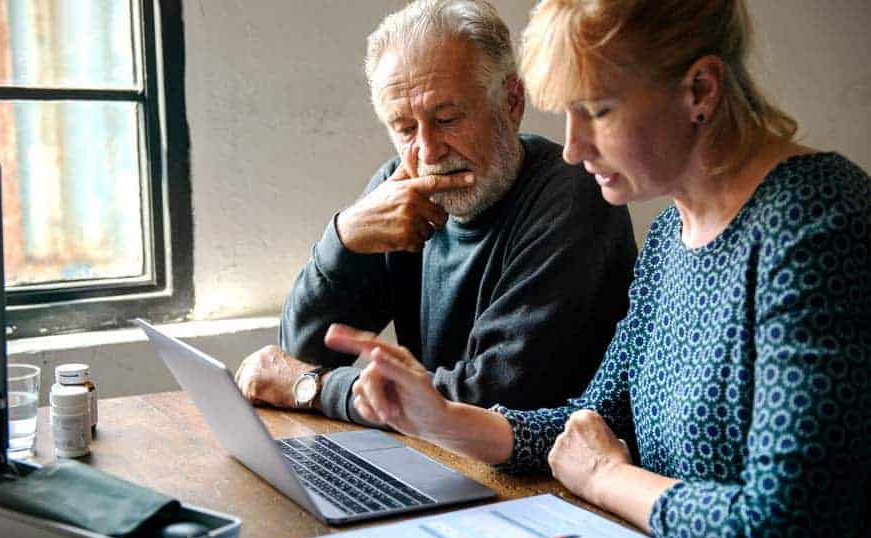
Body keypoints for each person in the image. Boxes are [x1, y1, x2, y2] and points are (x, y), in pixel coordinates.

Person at [324, 0, 871, 538]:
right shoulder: (670, 233)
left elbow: (789, 533)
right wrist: (441, 418)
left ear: (700, 91)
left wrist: (608, 478)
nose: (572, 149)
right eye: (566, 115)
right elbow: (595, 418)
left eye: (598, 112)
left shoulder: (817, 222)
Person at [235, 0, 637, 424]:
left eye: (446, 119)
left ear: (512, 101)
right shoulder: (400, 189)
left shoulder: (574, 195)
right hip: (439, 457)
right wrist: (343, 237)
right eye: (405, 129)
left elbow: (490, 399)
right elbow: (300, 352)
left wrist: (314, 389)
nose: (428, 150)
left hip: (544, 476)